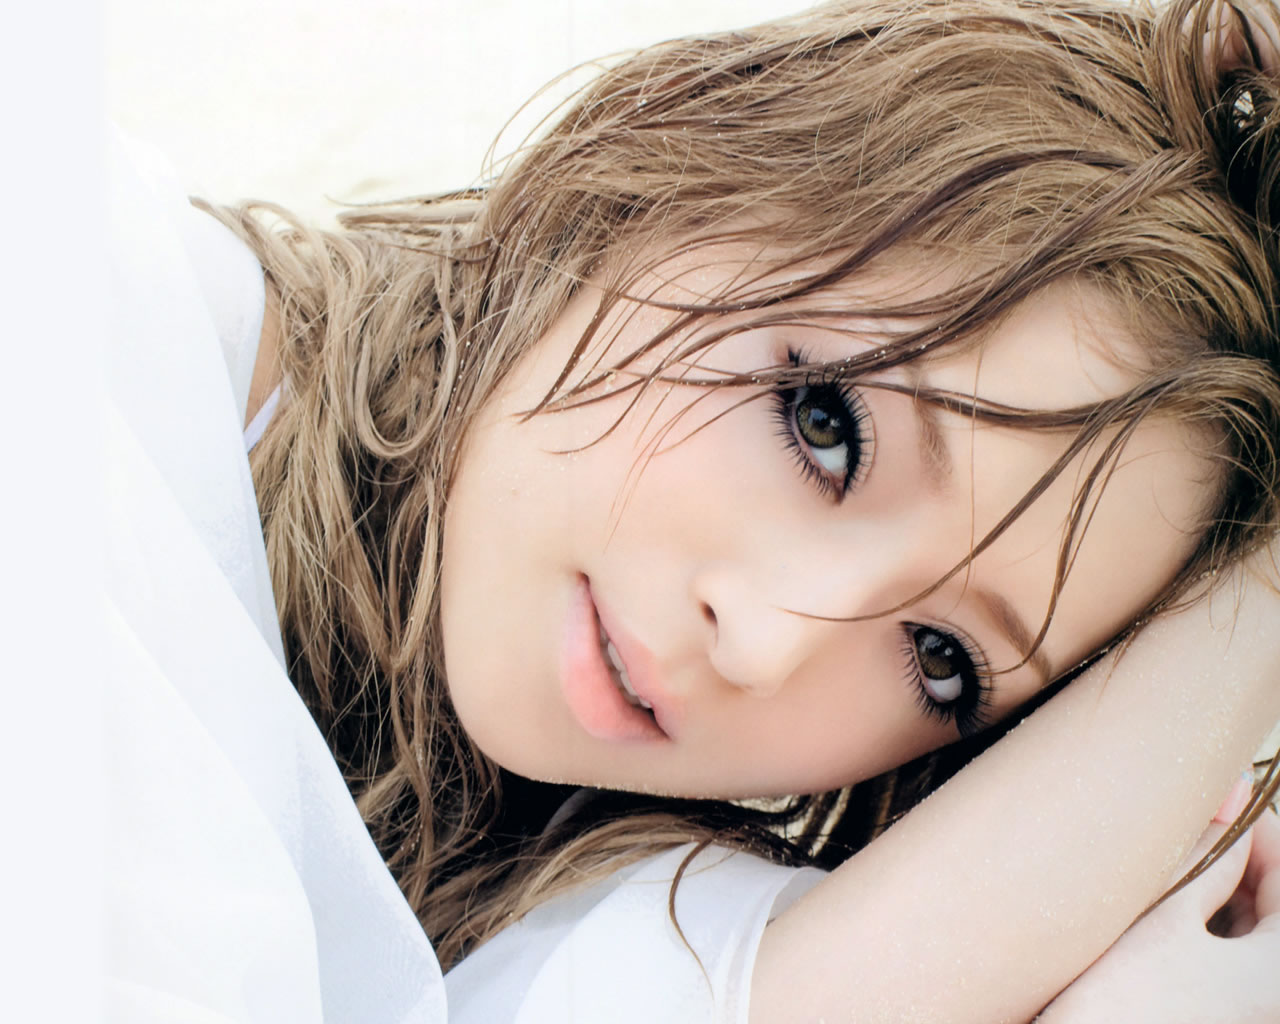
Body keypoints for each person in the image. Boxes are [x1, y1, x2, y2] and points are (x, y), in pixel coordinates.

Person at [104, 0, 1280, 1021]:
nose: (764, 646)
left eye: (940, 660)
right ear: (696, 158)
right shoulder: (93, 336)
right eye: (825, 425)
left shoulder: (581, 906)